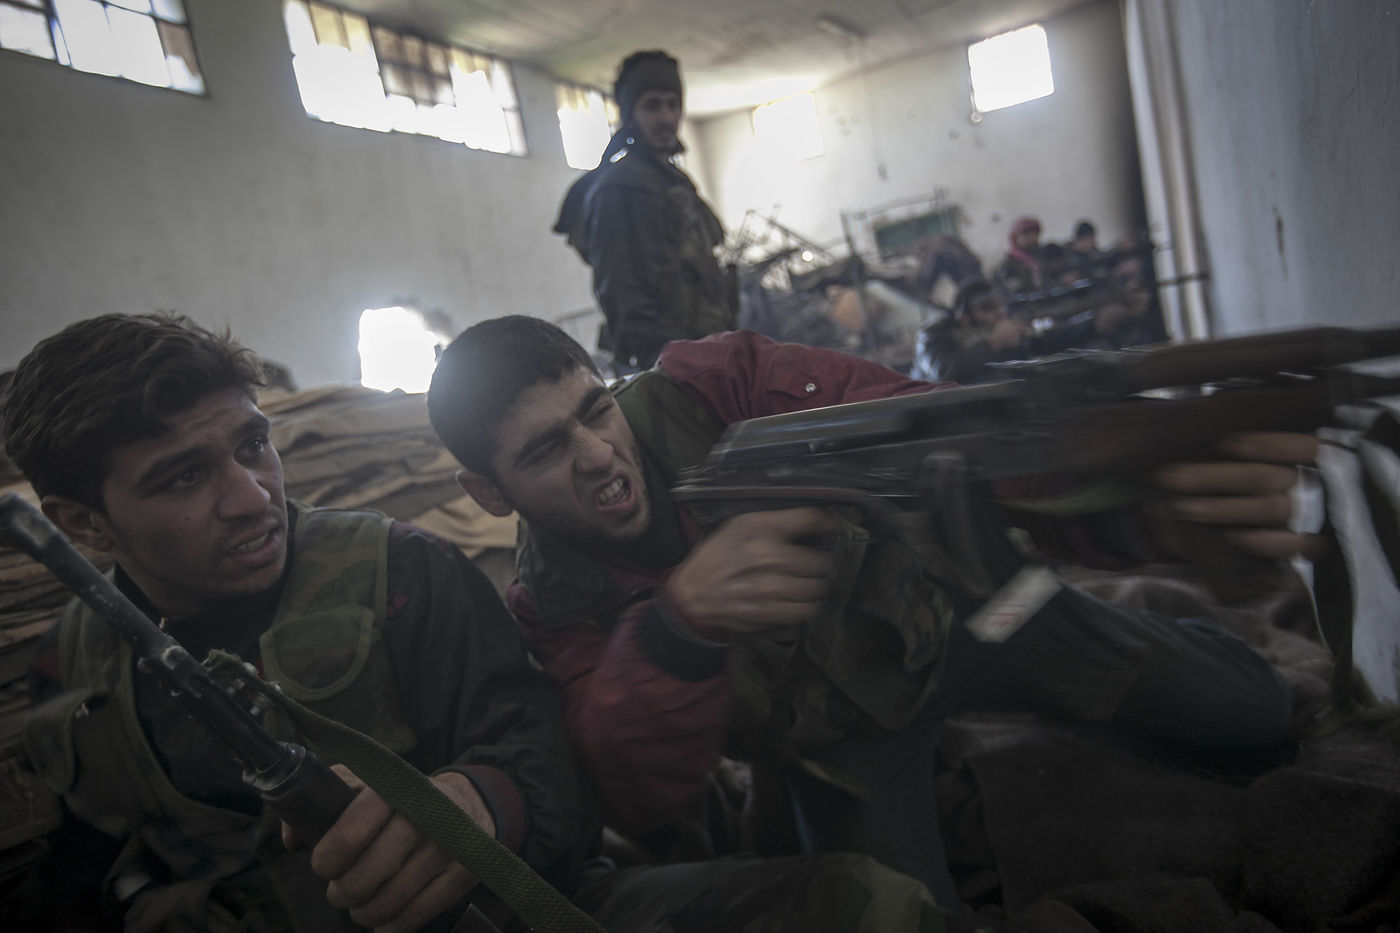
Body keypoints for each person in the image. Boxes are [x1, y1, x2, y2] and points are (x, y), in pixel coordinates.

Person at [4, 313, 983, 933]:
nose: (251, 497)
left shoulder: (400, 574)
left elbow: (556, 772)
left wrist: (478, 805)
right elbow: (76, 872)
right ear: (81, 524)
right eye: (183, 478)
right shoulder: (75, 669)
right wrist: (677, 630)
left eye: (253, 446)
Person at [426, 315, 1301, 910]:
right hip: (838, 747)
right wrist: (677, 630)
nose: (596, 455)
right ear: (487, 491)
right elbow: (632, 786)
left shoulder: (713, 387)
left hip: (969, 616)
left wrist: (1131, 507)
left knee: (1255, 709)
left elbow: (938, 440)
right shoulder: (553, 606)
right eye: (545, 450)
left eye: (596, 410)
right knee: (888, 914)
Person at [553, 50, 737, 372]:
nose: (666, 117)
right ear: (630, 114)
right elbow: (622, 291)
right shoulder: (621, 187)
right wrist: (661, 364)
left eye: (673, 105)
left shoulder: (673, 179)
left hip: (707, 348)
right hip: (673, 362)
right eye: (652, 106)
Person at [910, 278, 1123, 384]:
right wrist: (993, 344)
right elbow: (942, 373)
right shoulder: (933, 334)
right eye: (988, 309)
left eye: (1000, 306)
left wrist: (1093, 322)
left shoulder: (1002, 327)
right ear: (964, 319)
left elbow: (1047, 341)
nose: (1000, 314)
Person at [993, 215, 1045, 296]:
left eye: (1034, 234)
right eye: (1026, 235)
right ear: (1015, 238)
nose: (1032, 238)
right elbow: (1013, 291)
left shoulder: (1043, 255)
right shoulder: (1008, 265)